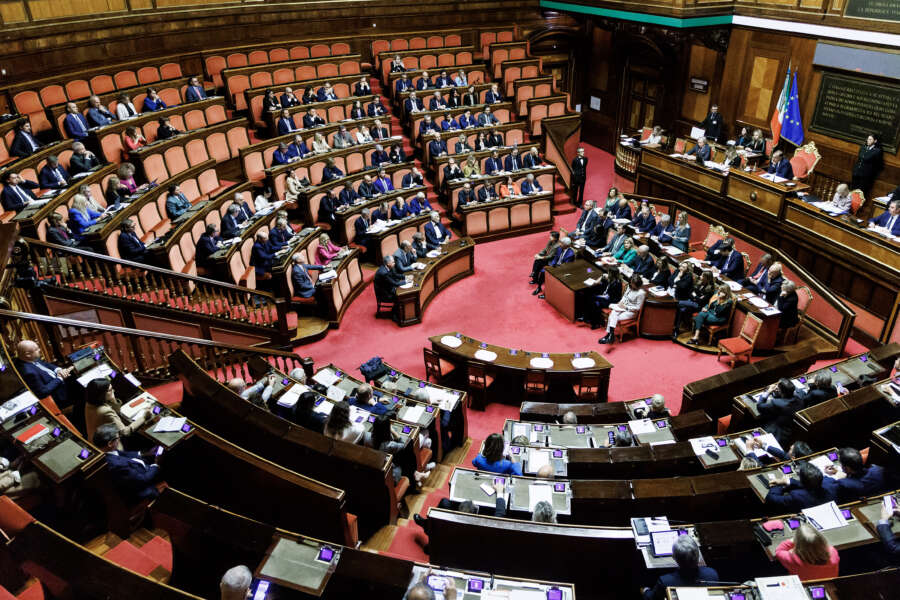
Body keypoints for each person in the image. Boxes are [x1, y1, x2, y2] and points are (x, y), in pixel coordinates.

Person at [94, 424, 162, 501]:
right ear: (110, 444)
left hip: (139, 471)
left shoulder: (107, 451)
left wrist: (145, 453)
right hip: (143, 490)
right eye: (117, 438)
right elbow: (143, 479)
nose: (119, 439)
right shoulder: (117, 466)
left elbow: (123, 454)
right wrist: (156, 464)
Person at [642, 535, 719, 600]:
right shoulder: (712, 574)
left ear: (674, 557)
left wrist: (645, 590)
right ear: (698, 555)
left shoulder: (665, 582)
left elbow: (650, 598)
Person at [84, 377, 152, 441]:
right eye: (110, 390)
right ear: (101, 394)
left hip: (95, 439)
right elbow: (125, 432)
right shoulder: (105, 411)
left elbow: (116, 412)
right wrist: (144, 417)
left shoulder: (90, 402)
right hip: (109, 444)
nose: (114, 390)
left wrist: (113, 400)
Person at [15, 340, 73, 407]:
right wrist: (60, 378)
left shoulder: (30, 358)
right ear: (28, 354)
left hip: (60, 381)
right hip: (58, 397)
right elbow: (43, 391)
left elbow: (46, 364)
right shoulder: (29, 372)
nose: (39, 350)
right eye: (36, 349)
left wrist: (59, 370)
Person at [775, 523, 840, 580]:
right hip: (828, 584)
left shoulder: (792, 561)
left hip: (803, 585)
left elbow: (779, 550)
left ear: (798, 544)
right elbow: (827, 547)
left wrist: (792, 541)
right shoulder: (833, 553)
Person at [765, 462, 837, 512]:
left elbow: (771, 499)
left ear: (802, 481)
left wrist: (779, 485)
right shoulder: (830, 485)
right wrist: (788, 481)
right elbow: (811, 485)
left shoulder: (797, 496)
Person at [756, 377, 803, 446]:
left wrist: (768, 392)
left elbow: (760, 406)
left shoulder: (777, 403)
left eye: (777, 386)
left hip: (778, 431)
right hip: (791, 428)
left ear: (780, 391)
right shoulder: (800, 397)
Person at [600, 275, 646, 344]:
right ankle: (610, 335)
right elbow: (625, 296)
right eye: (630, 283)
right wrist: (621, 302)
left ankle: (609, 335)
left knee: (613, 315)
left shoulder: (641, 293)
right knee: (614, 313)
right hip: (622, 307)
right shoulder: (629, 287)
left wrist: (626, 307)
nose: (630, 284)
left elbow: (637, 308)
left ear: (637, 284)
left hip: (631, 312)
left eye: (632, 284)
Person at [673, 269, 714, 337]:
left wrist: (695, 296)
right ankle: (676, 329)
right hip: (691, 302)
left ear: (706, 278)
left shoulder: (710, 290)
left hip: (698, 306)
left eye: (702, 276)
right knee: (681, 309)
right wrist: (697, 297)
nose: (700, 276)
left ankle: (675, 327)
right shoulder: (699, 283)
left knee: (678, 303)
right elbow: (690, 292)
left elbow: (701, 301)